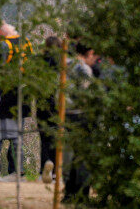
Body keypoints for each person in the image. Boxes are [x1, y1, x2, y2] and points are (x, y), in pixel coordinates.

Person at [0, 22, 33, 182]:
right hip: (24, 94)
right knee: (17, 134)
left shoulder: (4, 46)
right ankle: (17, 171)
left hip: (7, 95)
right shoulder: (26, 42)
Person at [62, 42, 97, 203]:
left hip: (64, 113)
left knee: (71, 156)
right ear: (89, 53)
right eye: (94, 56)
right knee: (84, 156)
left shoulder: (65, 64)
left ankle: (69, 193)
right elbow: (85, 94)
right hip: (80, 113)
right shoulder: (83, 69)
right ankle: (82, 196)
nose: (95, 60)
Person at [38, 36, 62, 184]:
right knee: (56, 137)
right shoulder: (62, 62)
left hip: (42, 102)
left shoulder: (40, 61)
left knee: (44, 137)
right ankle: (55, 172)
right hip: (58, 104)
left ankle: (44, 168)